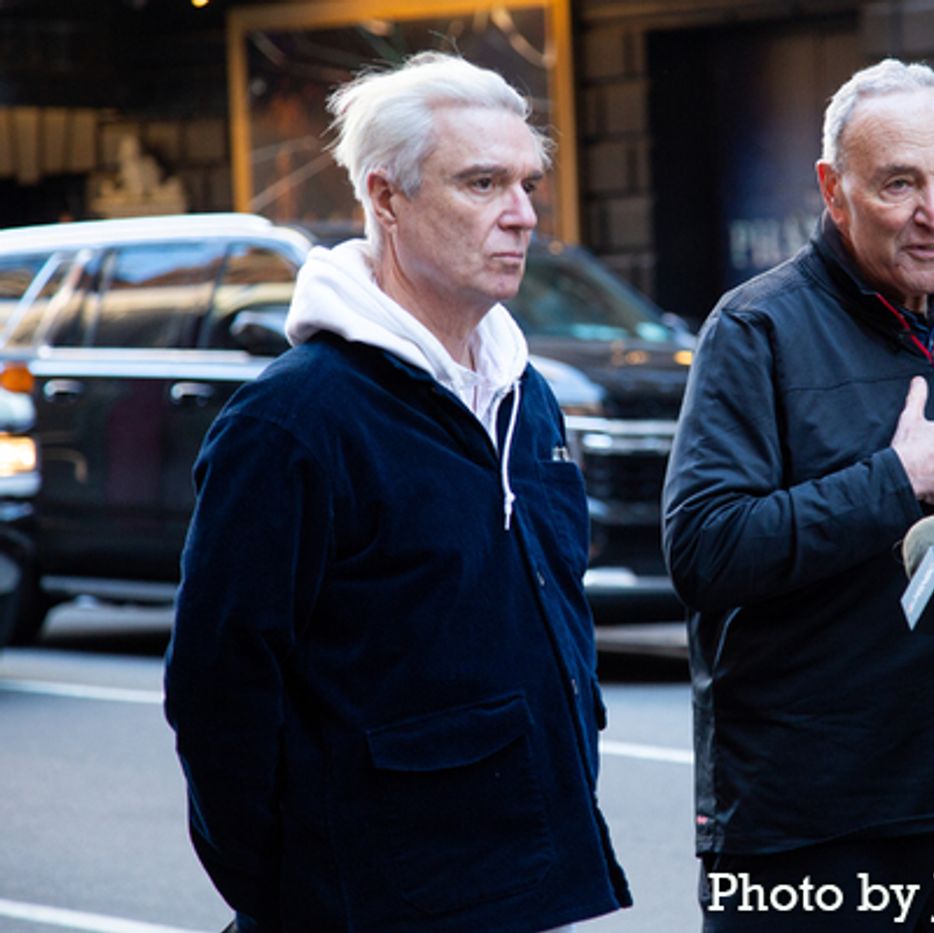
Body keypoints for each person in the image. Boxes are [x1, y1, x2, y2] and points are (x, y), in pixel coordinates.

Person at [164, 52, 630, 932]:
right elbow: (217, 690)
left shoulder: (526, 395)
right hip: (375, 903)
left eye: (527, 184)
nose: (522, 215)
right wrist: (289, 894)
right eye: (482, 183)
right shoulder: (294, 419)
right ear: (385, 198)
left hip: (530, 883)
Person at [661, 59, 934, 932]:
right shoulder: (755, 329)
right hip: (807, 822)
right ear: (834, 190)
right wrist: (898, 480)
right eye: (900, 184)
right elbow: (704, 549)